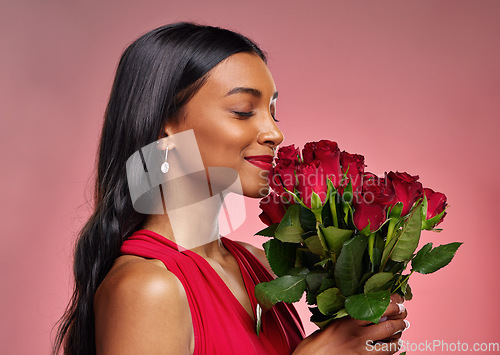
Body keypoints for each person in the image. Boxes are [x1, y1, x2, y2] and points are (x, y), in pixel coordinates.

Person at [52, 22, 409, 355]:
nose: (274, 133)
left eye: (273, 111)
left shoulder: (257, 265)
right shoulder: (147, 288)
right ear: (166, 128)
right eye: (242, 110)